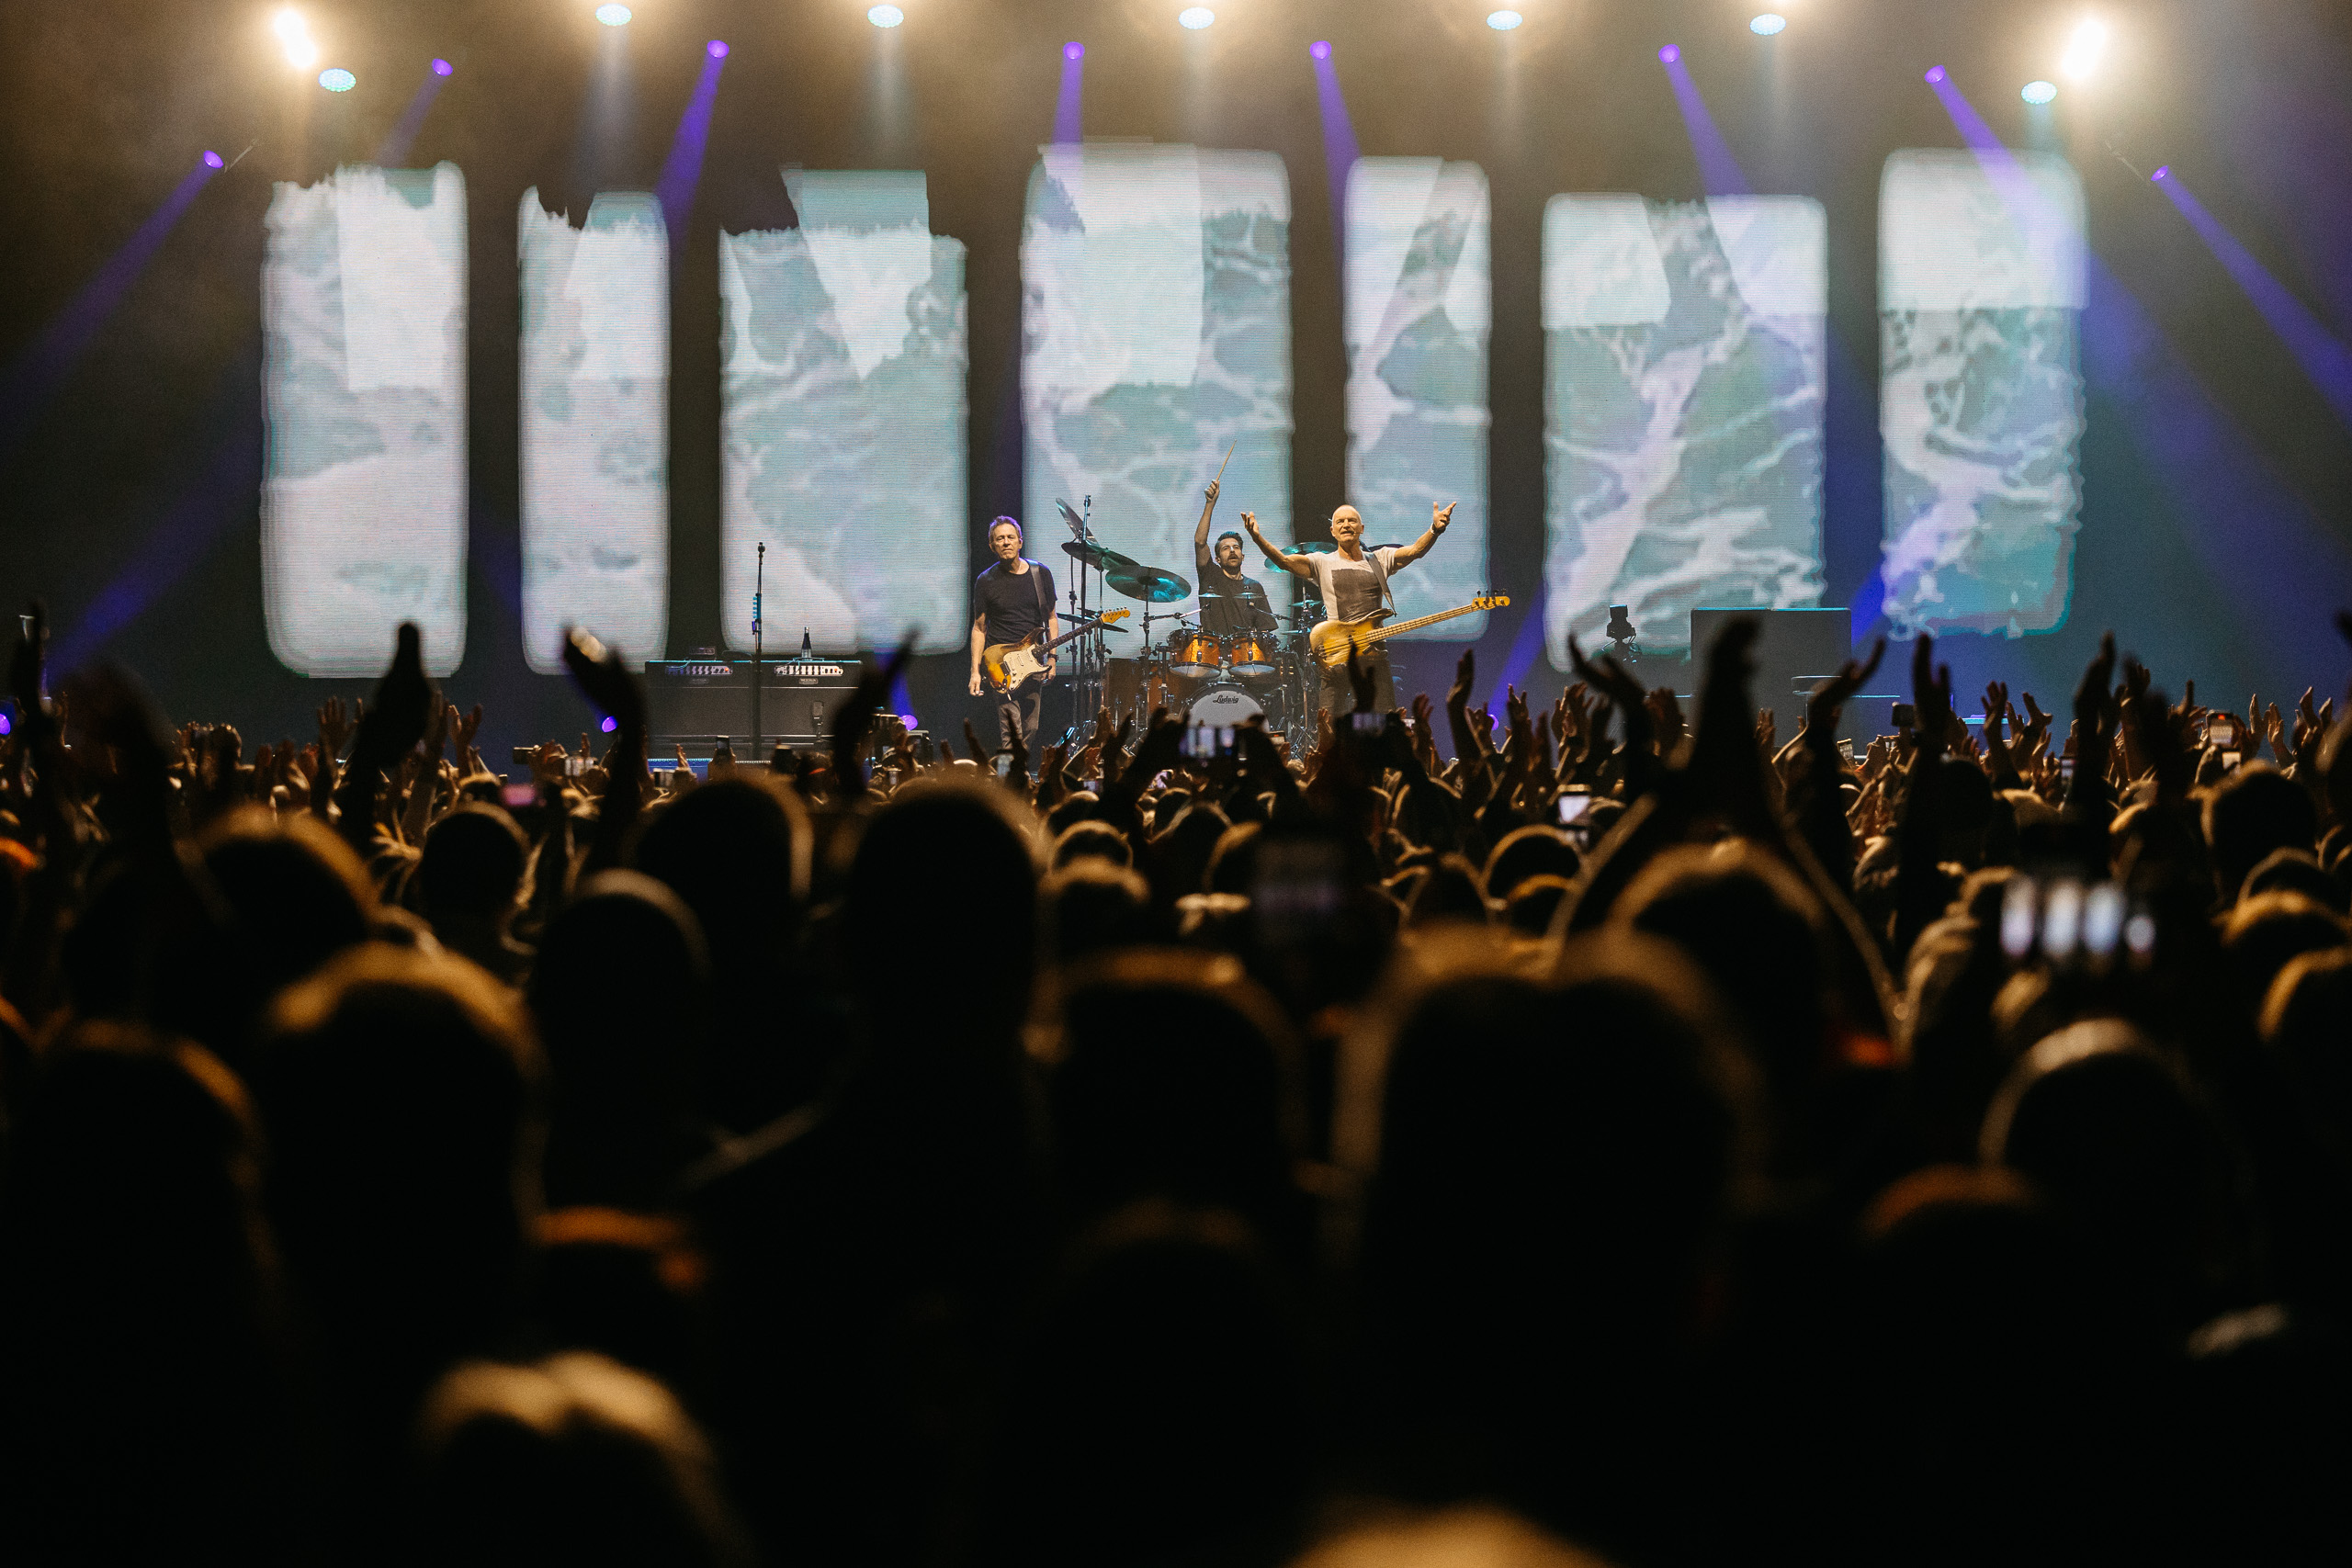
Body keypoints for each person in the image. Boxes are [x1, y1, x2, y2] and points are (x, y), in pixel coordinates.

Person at [1242, 499, 1454, 718]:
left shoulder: (1380, 559)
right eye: (1340, 521)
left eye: (1352, 521)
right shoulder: (1321, 562)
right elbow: (1285, 562)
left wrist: (1434, 530)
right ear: (1332, 531)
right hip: (1337, 655)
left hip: (1374, 655)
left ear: (1361, 528)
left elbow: (1415, 550)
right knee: (1328, 724)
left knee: (1387, 722)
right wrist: (1258, 538)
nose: (1346, 525)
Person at [968, 516, 1059, 753]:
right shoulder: (985, 581)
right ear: (992, 546)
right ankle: (1009, 774)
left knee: (1031, 727)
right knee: (1011, 730)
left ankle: (1014, 770)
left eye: (1010, 537)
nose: (1006, 542)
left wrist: (1052, 658)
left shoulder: (1040, 574)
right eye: (1000, 539)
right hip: (1000, 665)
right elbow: (979, 628)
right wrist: (975, 671)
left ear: (1020, 541)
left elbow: (1051, 618)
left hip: (1033, 662)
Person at [1191, 479, 1274, 643]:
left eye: (1236, 547)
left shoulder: (1255, 587)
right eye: (1225, 548)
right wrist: (1210, 504)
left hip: (1244, 655)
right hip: (1212, 653)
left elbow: (1265, 630)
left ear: (1243, 556)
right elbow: (1200, 542)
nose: (1231, 551)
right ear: (1217, 559)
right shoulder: (1210, 576)